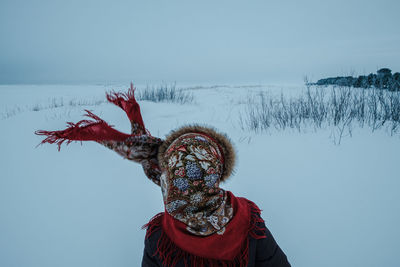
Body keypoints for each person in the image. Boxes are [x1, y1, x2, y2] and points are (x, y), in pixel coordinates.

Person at [36, 84, 291, 267]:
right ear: (215, 171)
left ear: (169, 178)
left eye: (170, 171)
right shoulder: (248, 222)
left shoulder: (161, 235)